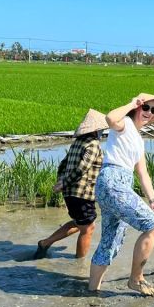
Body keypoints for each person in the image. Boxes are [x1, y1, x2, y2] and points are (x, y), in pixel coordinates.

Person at [89, 93, 154, 297]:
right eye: (146, 108)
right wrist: (131, 103)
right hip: (113, 180)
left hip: (118, 184)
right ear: (137, 108)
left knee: (110, 242)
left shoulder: (139, 141)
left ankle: (92, 292)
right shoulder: (124, 123)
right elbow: (110, 118)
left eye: (153, 111)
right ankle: (136, 279)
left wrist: (153, 200)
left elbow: (143, 173)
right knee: (153, 226)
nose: (149, 113)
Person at [34, 109, 106, 259]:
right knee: (88, 228)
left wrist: (61, 182)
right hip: (82, 193)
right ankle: (79, 264)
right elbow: (82, 169)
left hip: (71, 193)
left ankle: (45, 243)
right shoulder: (93, 145)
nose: (103, 132)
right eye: (102, 129)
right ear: (96, 130)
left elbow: (62, 164)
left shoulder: (77, 143)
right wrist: (63, 183)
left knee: (79, 223)